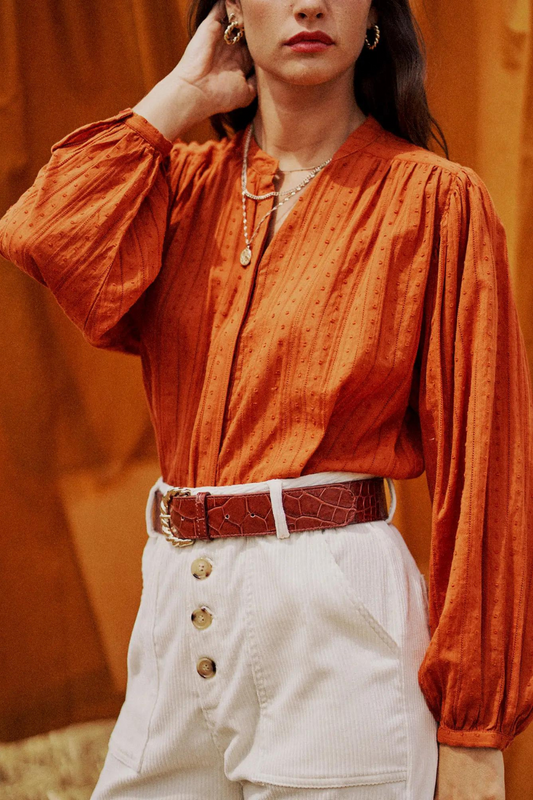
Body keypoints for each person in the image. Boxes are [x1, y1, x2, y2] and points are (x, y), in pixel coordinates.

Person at [0, 0, 532, 796]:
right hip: (178, 601)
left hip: (337, 621)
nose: (309, 3)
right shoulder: (175, 191)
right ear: (232, 13)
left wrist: (473, 731)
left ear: (375, 18)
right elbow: (44, 232)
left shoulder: (433, 202)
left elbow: (487, 471)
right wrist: (183, 92)